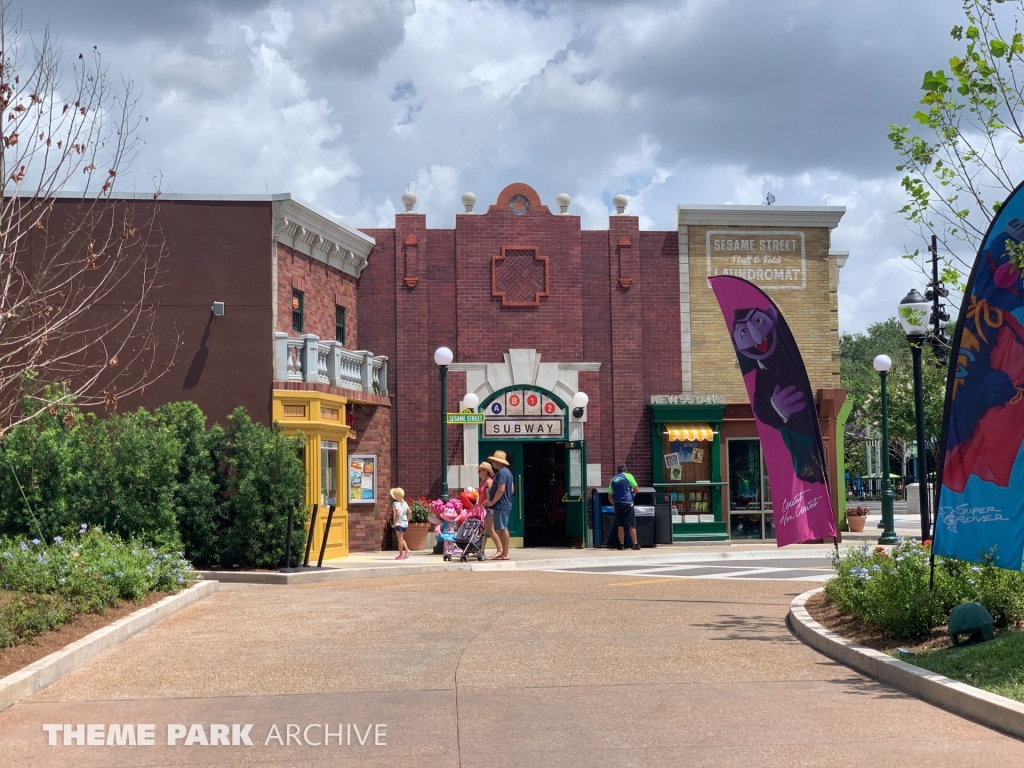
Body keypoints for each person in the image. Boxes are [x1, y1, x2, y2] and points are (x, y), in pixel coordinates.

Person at [482, 450, 514, 560]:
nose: (493, 463)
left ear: (498, 462)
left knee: (502, 528)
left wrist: (492, 501)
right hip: (504, 504)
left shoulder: (501, 473)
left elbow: (501, 489)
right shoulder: (508, 472)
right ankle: (504, 552)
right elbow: (512, 489)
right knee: (501, 528)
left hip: (501, 505)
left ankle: (505, 553)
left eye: (494, 461)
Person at [609, 464, 639, 550]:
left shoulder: (613, 479)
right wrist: (632, 494)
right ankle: (635, 544)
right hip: (628, 502)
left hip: (617, 503)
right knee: (631, 524)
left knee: (620, 525)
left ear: (618, 470)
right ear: (626, 470)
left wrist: (613, 504)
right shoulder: (628, 476)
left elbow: (610, 496)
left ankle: (621, 545)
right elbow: (636, 488)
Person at [476, 462, 499, 558]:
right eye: (478, 471)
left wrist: (485, 503)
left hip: (488, 509)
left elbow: (491, 495)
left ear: (486, 471)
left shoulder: (489, 481)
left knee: (490, 529)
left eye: (480, 470)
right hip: (482, 509)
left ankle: (500, 549)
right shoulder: (482, 482)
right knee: (482, 531)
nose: (479, 472)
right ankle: (481, 551)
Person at [390, 487, 411, 560]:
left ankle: (401, 555)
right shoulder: (405, 503)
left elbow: (397, 514)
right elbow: (410, 512)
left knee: (399, 540)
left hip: (399, 523)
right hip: (405, 524)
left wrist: (394, 523)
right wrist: (407, 520)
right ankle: (407, 550)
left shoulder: (395, 503)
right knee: (401, 538)